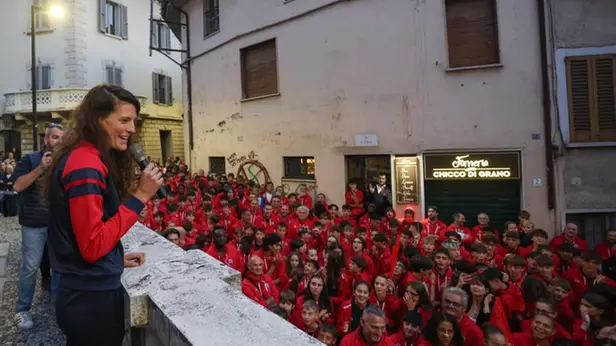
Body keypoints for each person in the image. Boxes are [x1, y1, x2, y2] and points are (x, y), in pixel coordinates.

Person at [44, 85, 159, 345]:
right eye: (124, 120)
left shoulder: (84, 157)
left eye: (134, 121)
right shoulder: (85, 165)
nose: (131, 128)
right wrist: (141, 196)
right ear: (99, 119)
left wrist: (115, 258)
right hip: (89, 298)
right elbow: (92, 245)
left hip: (83, 290)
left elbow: (82, 235)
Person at [12, 122, 64, 330]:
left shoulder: (64, 162)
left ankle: (60, 307)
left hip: (58, 224)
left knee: (60, 266)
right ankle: (22, 309)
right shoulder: (30, 159)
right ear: (46, 139)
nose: (58, 141)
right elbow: (17, 186)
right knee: (30, 267)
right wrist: (40, 168)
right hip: (33, 224)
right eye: (54, 137)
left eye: (61, 138)